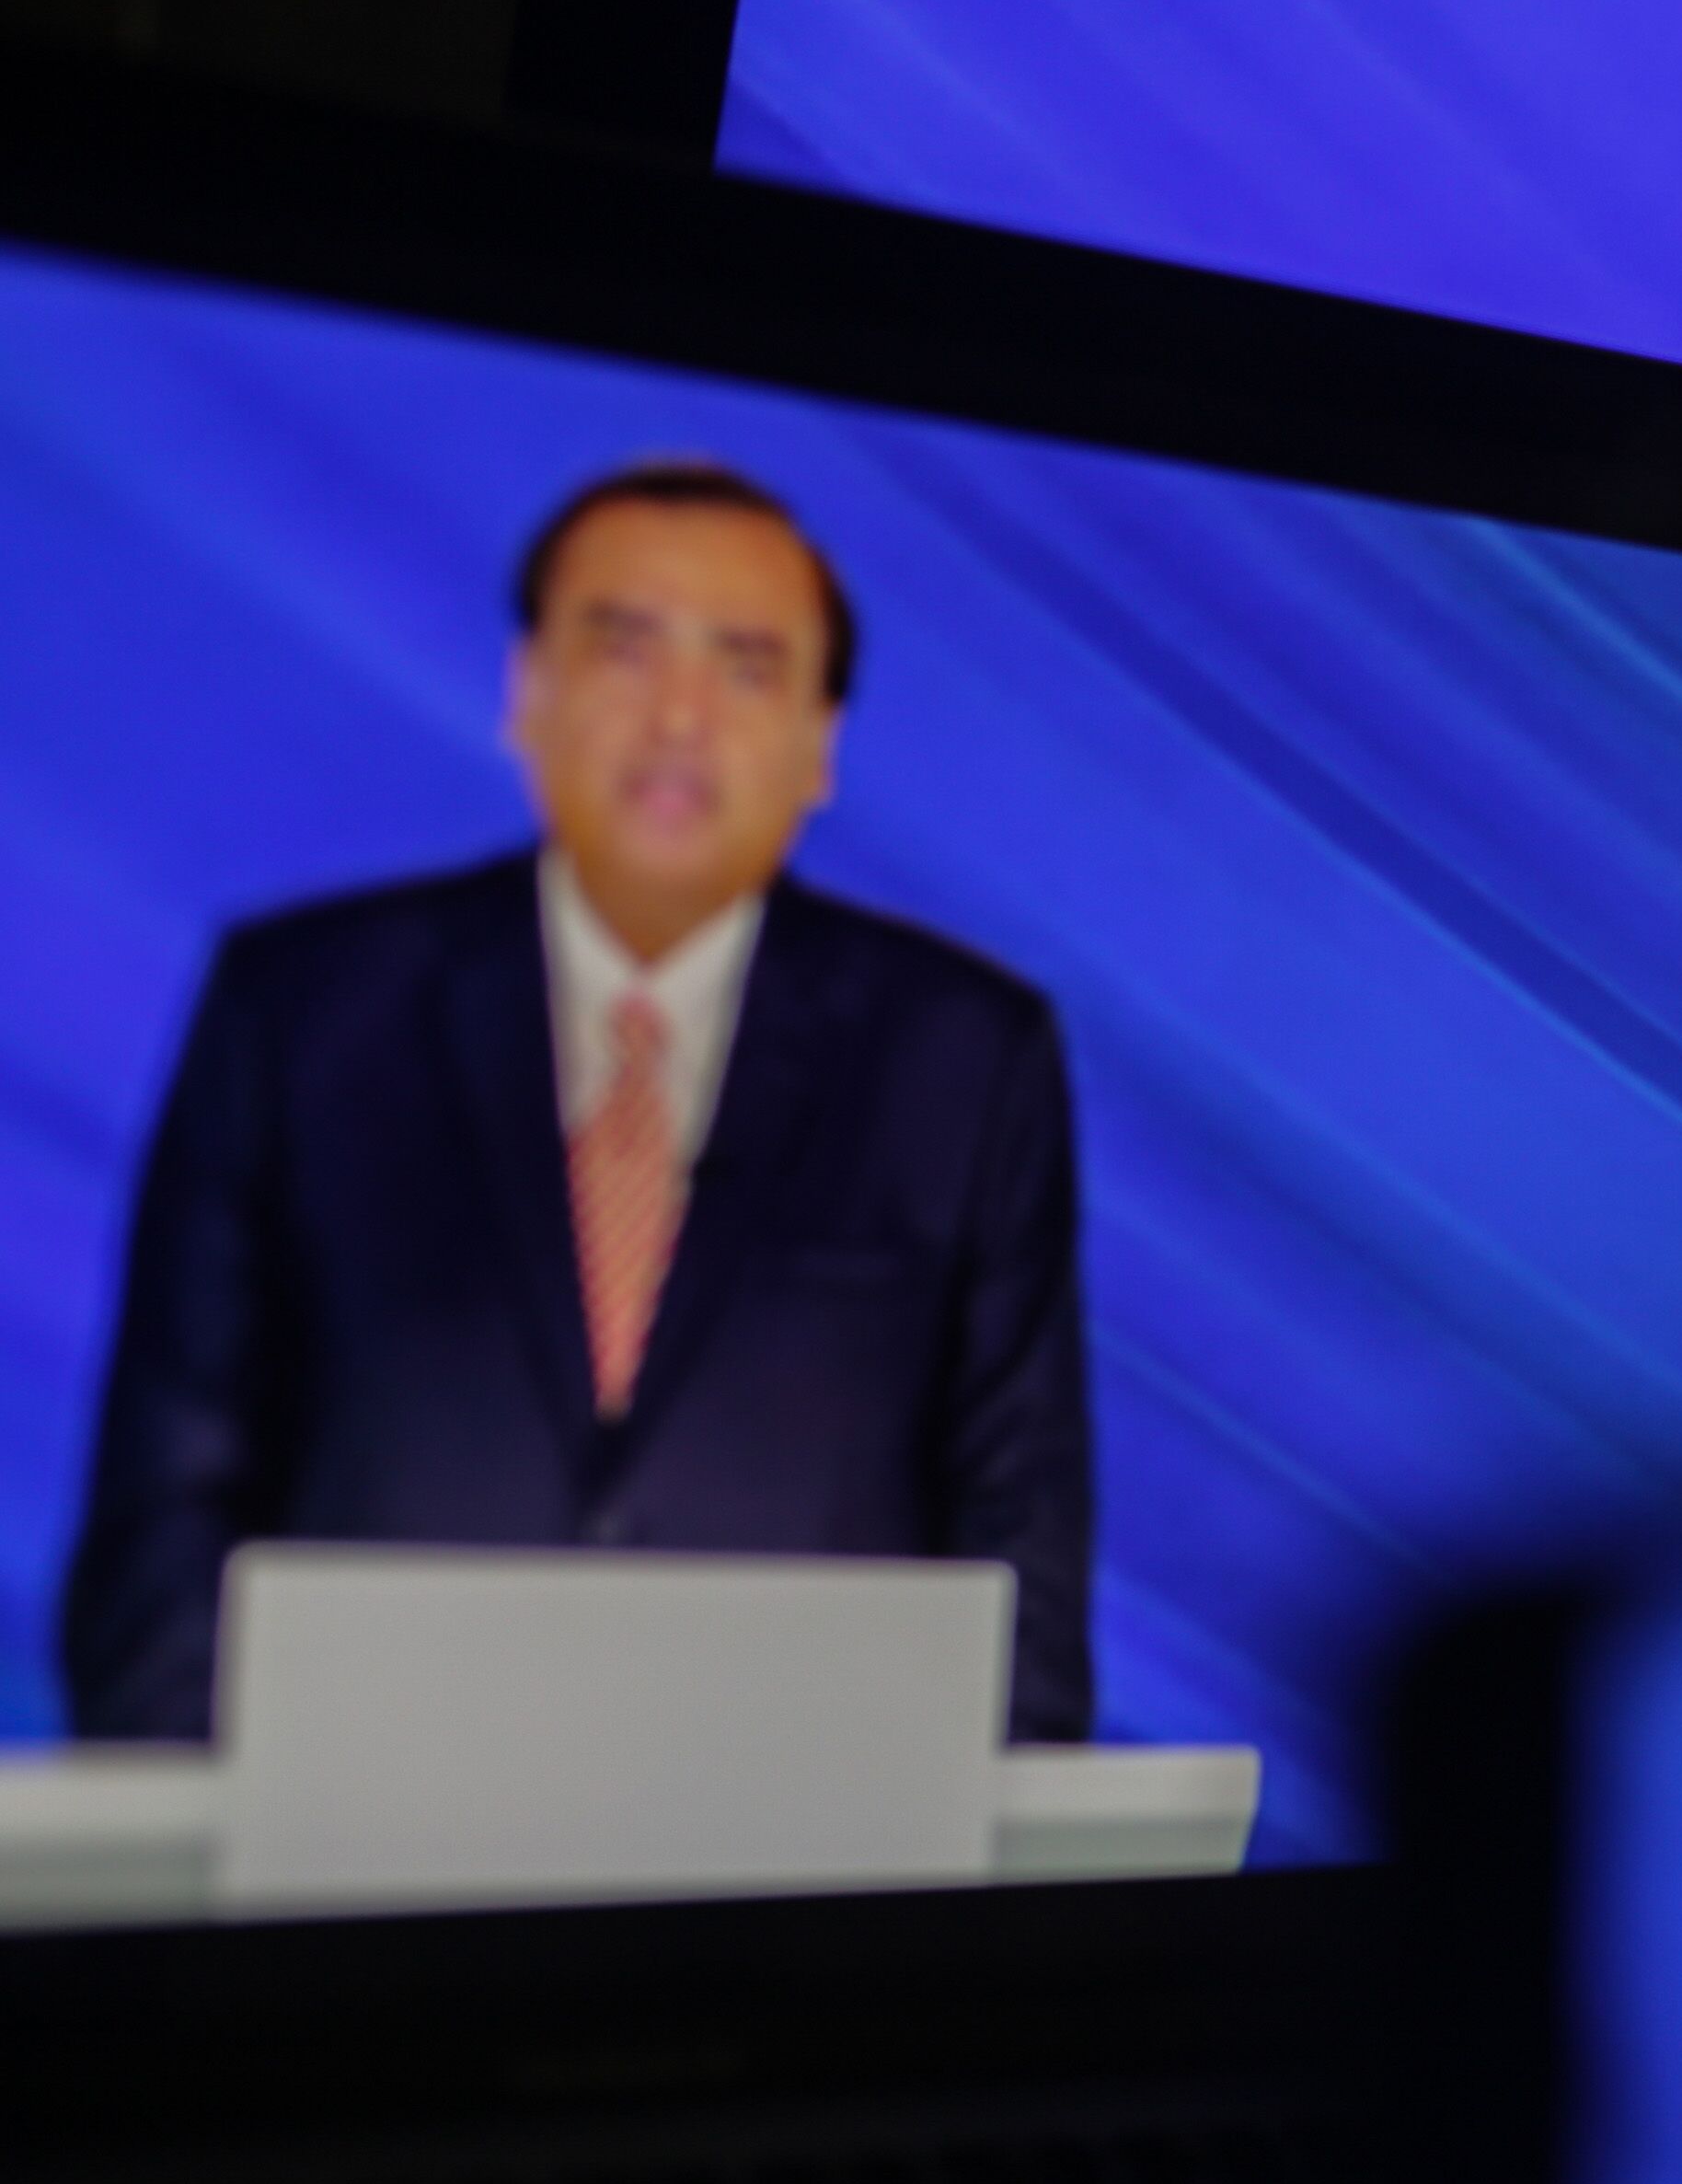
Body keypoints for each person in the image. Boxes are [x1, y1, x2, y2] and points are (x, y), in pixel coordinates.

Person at [63, 459, 1094, 1739]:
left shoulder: (962, 1057)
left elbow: (1021, 1535)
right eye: (625, 651)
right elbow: (168, 1502)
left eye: (747, 669)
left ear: (821, 745)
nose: (680, 718)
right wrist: (210, 1837)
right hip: (358, 1820)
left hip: (803, 1833)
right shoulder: (305, 1013)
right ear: (527, 691)